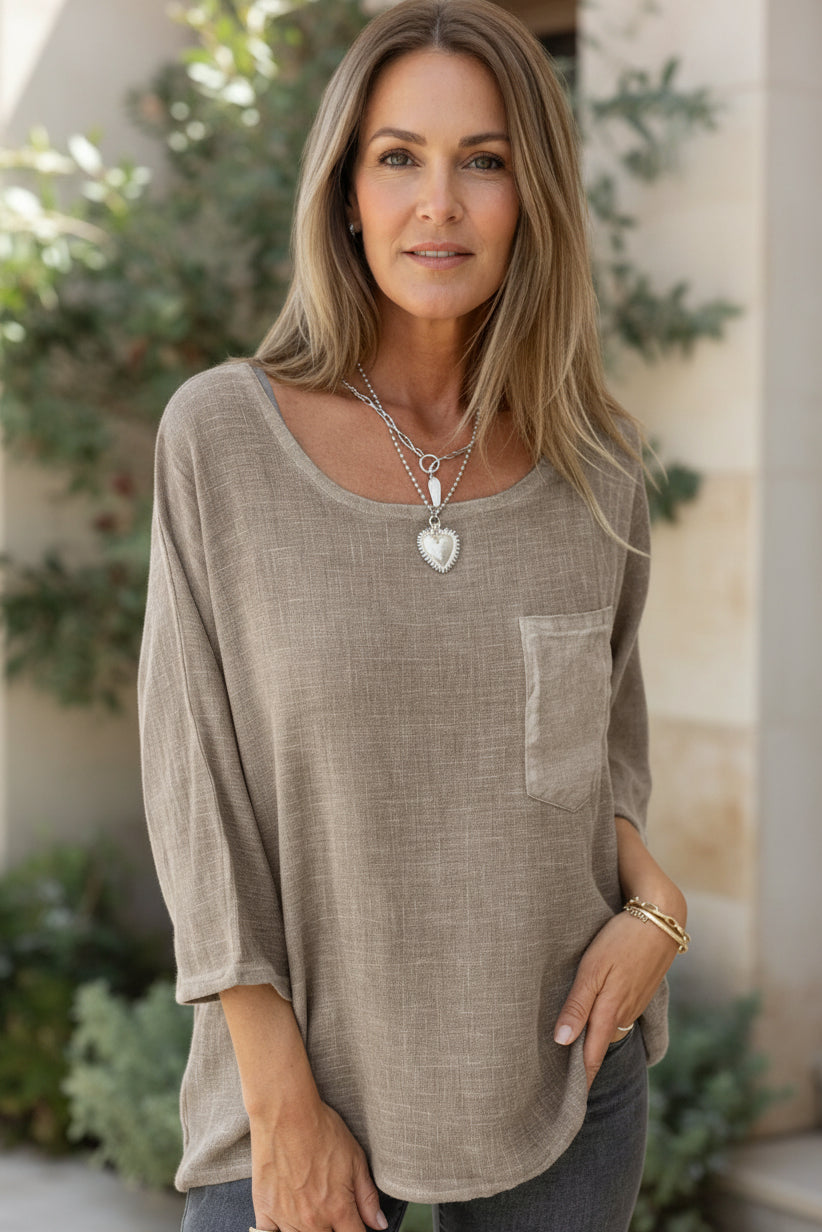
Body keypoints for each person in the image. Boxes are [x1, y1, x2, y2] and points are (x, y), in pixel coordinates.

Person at [137, 2, 689, 1230]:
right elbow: (195, 790)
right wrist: (280, 1101)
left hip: (563, 1079)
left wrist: (658, 909)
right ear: (346, 192)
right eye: (399, 157)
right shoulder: (222, 440)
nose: (439, 203)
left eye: (483, 160)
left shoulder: (596, 464)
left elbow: (597, 758)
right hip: (298, 1097)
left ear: (531, 196)